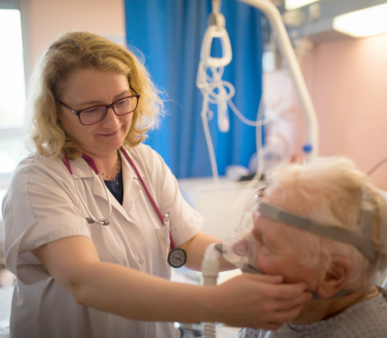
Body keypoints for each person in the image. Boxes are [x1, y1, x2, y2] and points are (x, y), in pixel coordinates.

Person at [1, 31, 311, 338]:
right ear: (55, 111)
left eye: (122, 101)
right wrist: (215, 304)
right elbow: (83, 280)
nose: (113, 122)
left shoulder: (144, 160)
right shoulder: (37, 178)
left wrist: (254, 253)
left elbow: (186, 244)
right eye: (91, 110)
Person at [237, 157, 387, 338]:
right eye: (253, 230)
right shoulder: (278, 310)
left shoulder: (367, 333)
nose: (240, 246)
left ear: (332, 275)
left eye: (266, 243)